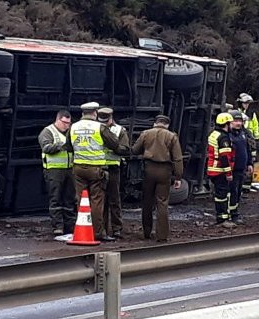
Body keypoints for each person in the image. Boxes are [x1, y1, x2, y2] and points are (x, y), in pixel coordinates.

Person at [70, 102, 124, 241]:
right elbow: (115, 144)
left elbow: (67, 146)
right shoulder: (99, 127)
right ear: (95, 113)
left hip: (78, 168)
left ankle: (82, 229)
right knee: (96, 201)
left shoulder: (73, 126)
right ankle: (98, 233)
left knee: (81, 201)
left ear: (83, 113)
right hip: (95, 169)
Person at [132, 115, 184, 242]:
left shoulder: (146, 134)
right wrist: (178, 177)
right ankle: (162, 235)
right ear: (167, 125)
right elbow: (177, 158)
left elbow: (135, 150)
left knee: (147, 201)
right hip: (164, 171)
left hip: (148, 170)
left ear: (155, 123)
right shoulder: (172, 136)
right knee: (162, 202)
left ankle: (146, 232)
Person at [39, 110, 75, 236]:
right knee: (56, 198)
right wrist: (60, 145)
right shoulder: (48, 132)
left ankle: (70, 226)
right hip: (54, 170)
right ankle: (58, 226)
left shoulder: (70, 132)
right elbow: (46, 148)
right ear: (58, 120)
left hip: (69, 169)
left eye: (69, 123)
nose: (67, 126)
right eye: (64, 123)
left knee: (69, 199)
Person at [99, 107, 130, 239]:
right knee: (100, 201)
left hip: (112, 168)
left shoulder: (119, 130)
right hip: (98, 167)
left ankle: (116, 228)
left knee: (114, 199)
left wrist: (113, 146)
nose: (103, 124)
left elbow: (125, 149)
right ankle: (102, 228)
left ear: (111, 118)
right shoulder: (95, 128)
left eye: (105, 121)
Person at [206, 112, 236, 226]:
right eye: (230, 123)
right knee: (222, 195)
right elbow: (224, 157)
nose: (232, 125)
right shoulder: (223, 138)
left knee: (219, 194)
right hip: (220, 170)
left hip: (213, 169)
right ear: (226, 124)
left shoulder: (214, 134)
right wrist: (228, 173)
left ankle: (221, 216)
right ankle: (223, 218)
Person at [228, 111, 255, 223]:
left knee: (238, 192)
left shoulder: (243, 134)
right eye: (235, 121)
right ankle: (231, 215)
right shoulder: (227, 135)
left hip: (241, 168)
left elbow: (247, 150)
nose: (238, 123)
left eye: (240, 121)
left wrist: (250, 163)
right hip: (231, 170)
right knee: (232, 192)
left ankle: (235, 212)